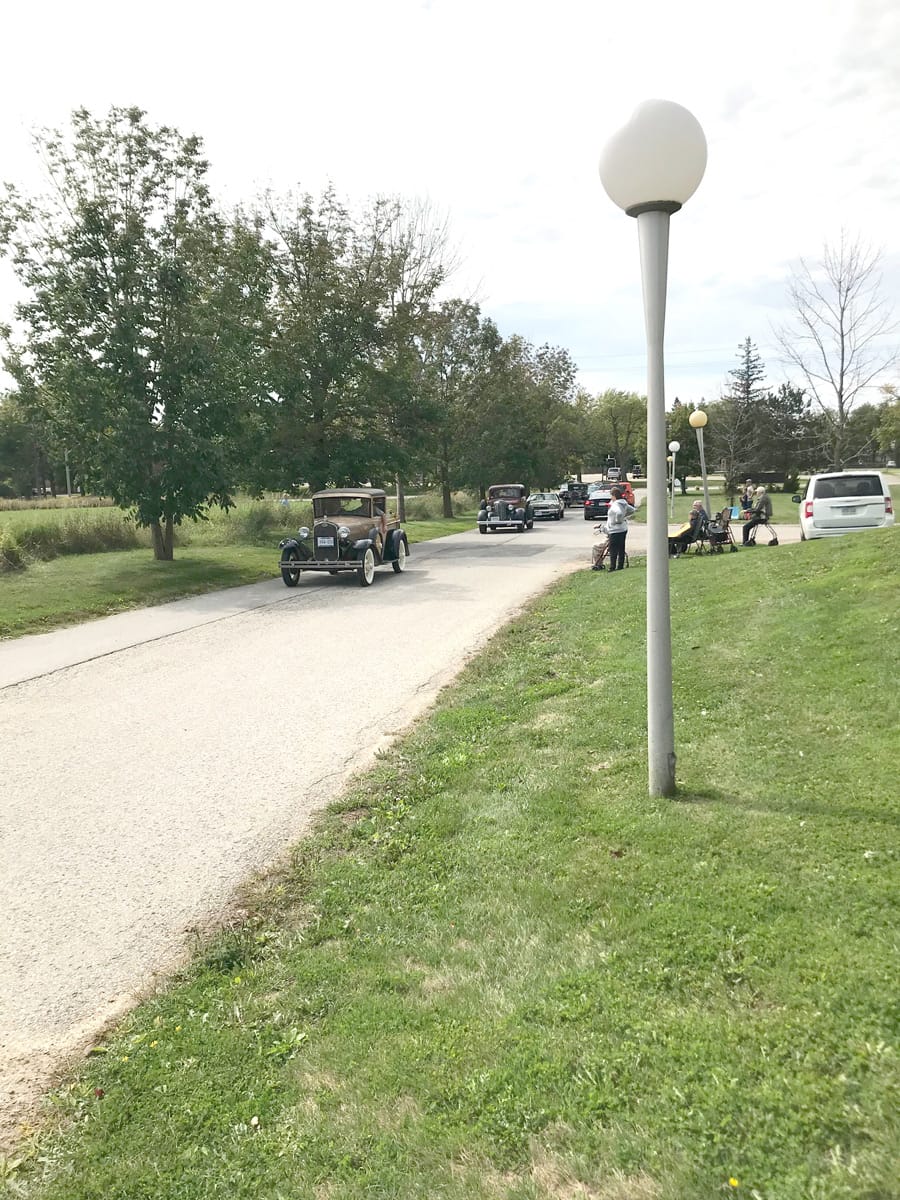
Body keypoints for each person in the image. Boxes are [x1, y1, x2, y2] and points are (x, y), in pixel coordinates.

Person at [601, 485, 635, 572]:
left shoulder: (616, 504)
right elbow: (632, 510)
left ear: (614, 496)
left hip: (615, 530)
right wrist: (624, 516)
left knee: (613, 549)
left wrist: (618, 520)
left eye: (611, 496)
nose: (611, 498)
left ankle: (612, 567)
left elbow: (619, 513)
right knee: (621, 548)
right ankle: (620, 565)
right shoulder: (624, 503)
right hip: (623, 529)